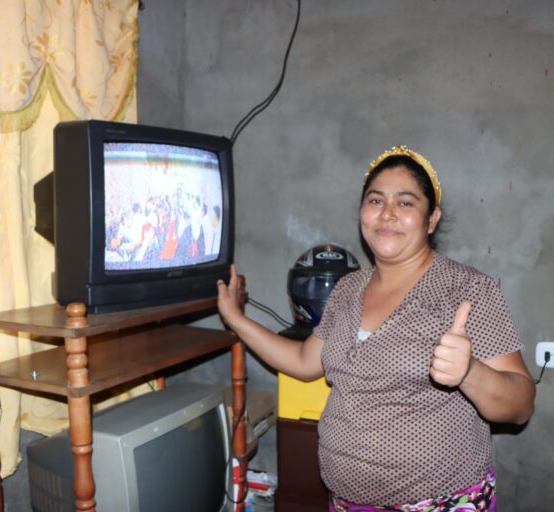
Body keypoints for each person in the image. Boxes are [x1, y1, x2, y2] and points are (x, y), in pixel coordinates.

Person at [217, 145, 535, 511]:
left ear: (432, 219)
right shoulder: (348, 288)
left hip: (439, 503)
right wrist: (236, 318)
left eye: (405, 202)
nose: (387, 213)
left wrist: (469, 372)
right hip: (346, 502)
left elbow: (520, 406)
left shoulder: (467, 290)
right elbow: (304, 361)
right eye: (375, 200)